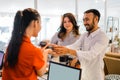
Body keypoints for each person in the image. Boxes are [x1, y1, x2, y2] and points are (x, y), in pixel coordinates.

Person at [53, 9, 109, 80]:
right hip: (83, 74)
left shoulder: (102, 36)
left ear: (96, 19)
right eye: (83, 20)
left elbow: (91, 54)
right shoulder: (85, 35)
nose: (85, 23)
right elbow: (74, 46)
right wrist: (61, 49)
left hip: (95, 76)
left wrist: (68, 51)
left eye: (87, 20)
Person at [2, 8, 51, 80]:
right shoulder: (33, 51)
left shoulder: (11, 45)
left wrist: (40, 53)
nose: (41, 27)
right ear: (35, 23)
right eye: (40, 23)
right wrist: (46, 52)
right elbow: (41, 72)